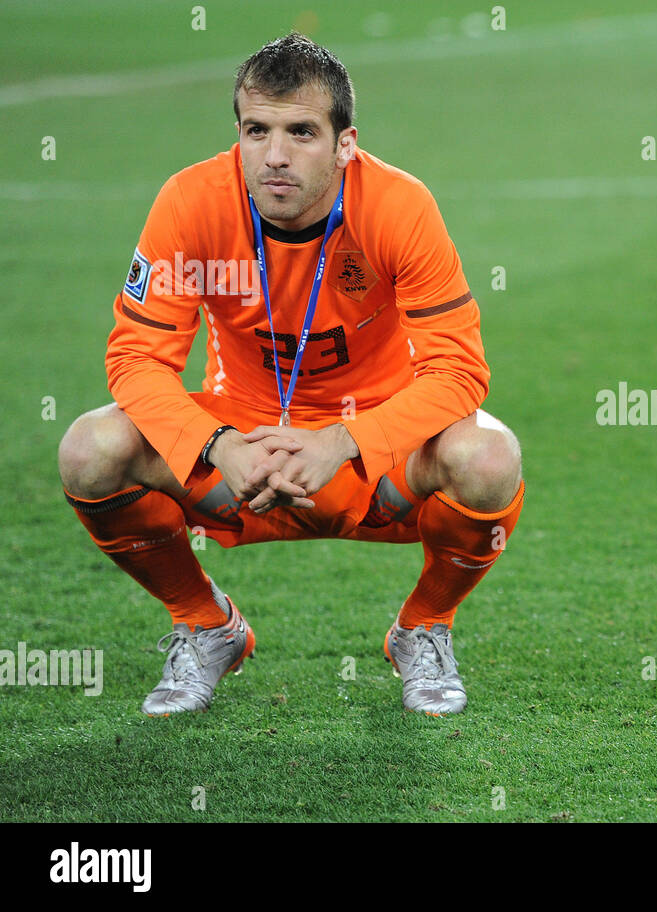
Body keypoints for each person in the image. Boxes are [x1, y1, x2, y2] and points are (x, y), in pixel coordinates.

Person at [56, 33, 523, 717]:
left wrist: (342, 441)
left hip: (370, 460)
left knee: (488, 457)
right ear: (239, 133)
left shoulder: (397, 206)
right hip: (238, 453)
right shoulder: (190, 202)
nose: (275, 155)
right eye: (257, 130)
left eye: (302, 131)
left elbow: (458, 369)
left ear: (345, 143)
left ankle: (423, 627)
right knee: (89, 450)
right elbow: (136, 358)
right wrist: (218, 444)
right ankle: (206, 624)